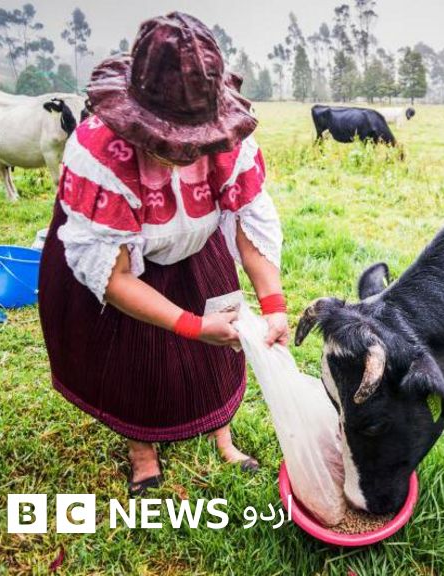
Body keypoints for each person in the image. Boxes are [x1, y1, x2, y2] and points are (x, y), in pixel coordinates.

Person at [38, 12, 288, 496]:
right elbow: (114, 278)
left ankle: (221, 435)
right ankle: (142, 450)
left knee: (217, 351)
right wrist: (190, 325)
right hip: (126, 263)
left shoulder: (227, 143)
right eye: (174, 142)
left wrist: (273, 303)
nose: (187, 154)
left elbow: (247, 220)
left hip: (196, 249)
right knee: (134, 361)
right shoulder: (98, 153)